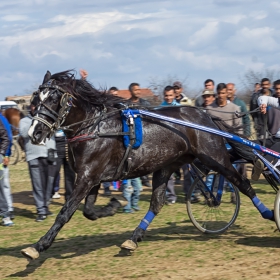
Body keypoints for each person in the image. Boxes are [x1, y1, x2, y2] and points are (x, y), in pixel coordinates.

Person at [19, 103, 57, 222]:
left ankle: (45, 206)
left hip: (49, 154)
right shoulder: (24, 121)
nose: (36, 108)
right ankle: (41, 210)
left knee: (49, 183)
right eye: (34, 106)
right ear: (31, 107)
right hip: (34, 156)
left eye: (39, 106)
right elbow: (25, 133)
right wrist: (35, 121)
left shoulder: (48, 119)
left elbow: (53, 133)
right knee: (38, 185)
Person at [206, 83, 242, 204]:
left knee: (231, 171)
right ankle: (209, 193)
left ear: (227, 93)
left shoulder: (235, 109)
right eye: (219, 93)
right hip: (215, 145)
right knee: (212, 170)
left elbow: (239, 129)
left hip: (230, 144)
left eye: (223, 93)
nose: (221, 95)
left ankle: (233, 193)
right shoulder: (210, 109)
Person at [52, 129, 75, 201]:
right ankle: (51, 192)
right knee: (54, 171)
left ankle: (69, 196)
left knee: (70, 172)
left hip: (69, 142)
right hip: (56, 142)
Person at [0, 112, 14, 219]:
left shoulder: (2, 119)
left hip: (2, 156)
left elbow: (7, 136)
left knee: (3, 185)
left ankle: (7, 210)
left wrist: (5, 154)